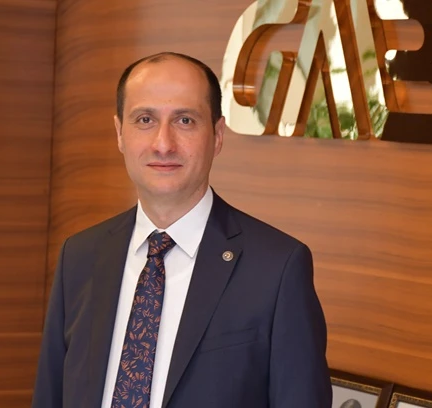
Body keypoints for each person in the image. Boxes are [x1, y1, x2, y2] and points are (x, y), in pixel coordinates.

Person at [32, 52, 332, 408]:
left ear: (217, 136)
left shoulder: (277, 268)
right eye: (145, 120)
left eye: (185, 120)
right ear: (120, 134)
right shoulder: (80, 257)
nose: (163, 143)